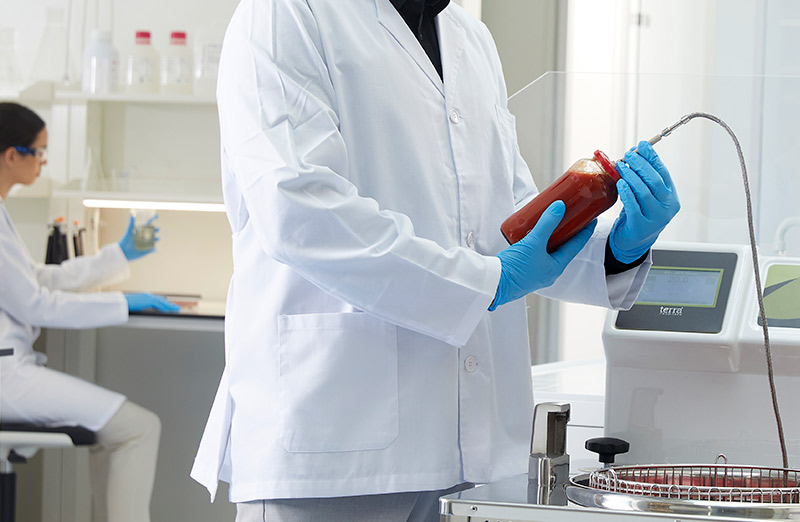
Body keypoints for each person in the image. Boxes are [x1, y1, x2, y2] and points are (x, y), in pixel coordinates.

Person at [191, 1, 681, 521]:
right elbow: (299, 209)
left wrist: (613, 248)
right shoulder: (288, 13)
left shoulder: (469, 37)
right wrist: (486, 283)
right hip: (333, 438)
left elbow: (507, 219)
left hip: (472, 454)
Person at [0, 102, 180, 522]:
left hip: (11, 369)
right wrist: (121, 303)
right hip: (7, 377)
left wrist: (117, 256)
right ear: (12, 155)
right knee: (138, 428)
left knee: (117, 432)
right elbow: (35, 302)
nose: (43, 163)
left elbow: (37, 280)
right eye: (39, 152)